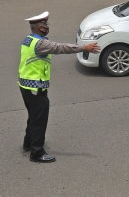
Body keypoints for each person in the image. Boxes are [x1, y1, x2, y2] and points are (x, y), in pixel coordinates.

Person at [19, 12, 101, 163]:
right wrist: (84, 47)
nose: (47, 28)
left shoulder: (28, 39)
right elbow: (60, 48)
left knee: (33, 116)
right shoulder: (41, 44)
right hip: (36, 87)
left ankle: (28, 143)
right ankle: (37, 152)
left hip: (25, 85)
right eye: (45, 25)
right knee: (39, 119)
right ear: (39, 27)